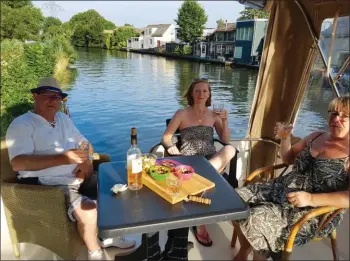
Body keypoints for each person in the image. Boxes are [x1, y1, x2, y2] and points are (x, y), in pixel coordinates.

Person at [5, 77, 136, 260]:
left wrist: (86, 162)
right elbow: (18, 163)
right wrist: (64, 158)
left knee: (118, 186)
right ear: (35, 96)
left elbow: (84, 143)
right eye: (47, 95)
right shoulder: (22, 125)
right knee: (89, 209)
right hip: (47, 185)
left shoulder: (62, 119)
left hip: (76, 176)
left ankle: (106, 237)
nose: (53, 100)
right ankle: (94, 251)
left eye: (57, 96)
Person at [232, 96, 350, 260]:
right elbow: (288, 158)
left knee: (255, 218)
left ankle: (259, 255)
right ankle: (245, 249)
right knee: (232, 200)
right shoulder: (316, 136)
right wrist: (285, 138)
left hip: (312, 210)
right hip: (281, 188)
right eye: (333, 113)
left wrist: (310, 198)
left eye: (345, 115)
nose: (336, 118)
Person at [162, 78, 236, 247]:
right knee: (223, 161)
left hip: (211, 159)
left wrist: (225, 121)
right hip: (189, 161)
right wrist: (171, 146)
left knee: (230, 149)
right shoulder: (182, 113)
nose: (201, 94)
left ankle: (200, 181)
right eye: (197, 91)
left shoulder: (213, 115)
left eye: (205, 91)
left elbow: (225, 140)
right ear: (191, 94)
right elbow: (166, 137)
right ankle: (199, 222)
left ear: (209, 94)